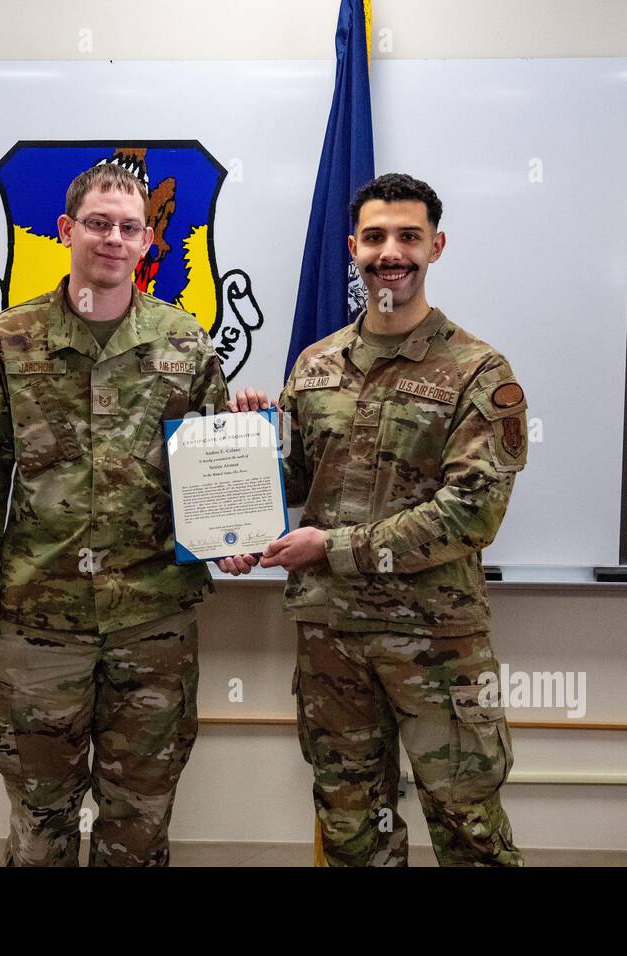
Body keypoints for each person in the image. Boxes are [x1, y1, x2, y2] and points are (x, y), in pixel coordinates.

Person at [220, 172, 528, 866]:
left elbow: (470, 514)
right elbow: (298, 483)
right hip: (332, 640)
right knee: (353, 827)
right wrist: (244, 462)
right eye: (377, 236)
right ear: (353, 247)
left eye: (409, 237)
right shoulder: (316, 363)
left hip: (436, 644)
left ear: (436, 246)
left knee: (469, 827)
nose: (392, 252)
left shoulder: (478, 372)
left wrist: (332, 547)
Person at [0, 160, 229, 866]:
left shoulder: (185, 342)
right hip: (40, 619)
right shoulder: (10, 340)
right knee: (41, 822)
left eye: (130, 227)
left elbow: (216, 472)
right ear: (67, 230)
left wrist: (239, 530)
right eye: (99, 223)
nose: (114, 238)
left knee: (140, 821)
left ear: (147, 242)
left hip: (153, 618)